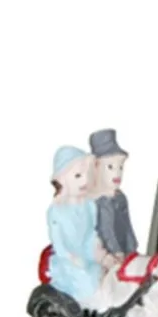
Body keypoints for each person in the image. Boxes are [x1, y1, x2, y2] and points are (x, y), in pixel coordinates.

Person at [46, 146, 103, 304]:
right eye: (78, 176)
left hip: (88, 255)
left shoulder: (89, 205)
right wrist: (71, 258)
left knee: (103, 276)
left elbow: (91, 233)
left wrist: (96, 247)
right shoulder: (57, 211)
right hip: (68, 261)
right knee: (87, 284)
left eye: (86, 175)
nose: (84, 181)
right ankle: (85, 308)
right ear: (62, 179)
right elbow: (59, 244)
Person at [88, 128, 137, 265]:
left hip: (123, 253)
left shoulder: (120, 198)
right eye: (110, 167)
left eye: (120, 167)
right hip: (105, 257)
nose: (117, 174)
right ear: (96, 167)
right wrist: (116, 252)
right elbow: (105, 231)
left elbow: (127, 226)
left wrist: (131, 248)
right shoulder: (95, 201)